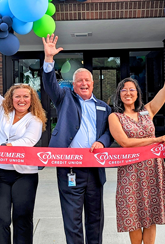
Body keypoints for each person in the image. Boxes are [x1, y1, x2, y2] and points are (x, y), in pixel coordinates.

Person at [108, 46, 165, 244]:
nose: (128, 93)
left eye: (132, 90)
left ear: (137, 93)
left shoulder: (147, 111)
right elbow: (125, 143)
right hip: (130, 170)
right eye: (124, 90)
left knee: (150, 215)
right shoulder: (115, 117)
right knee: (133, 216)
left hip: (152, 169)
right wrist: (155, 139)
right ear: (119, 95)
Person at [42, 34, 113, 244]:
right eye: (79, 80)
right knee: (72, 220)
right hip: (70, 167)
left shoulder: (104, 106)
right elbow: (49, 84)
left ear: (93, 84)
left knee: (95, 218)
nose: (84, 83)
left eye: (87, 80)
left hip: (95, 168)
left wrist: (103, 142)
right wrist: (48, 59)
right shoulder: (64, 99)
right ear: (73, 85)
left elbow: (110, 132)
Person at [0, 47, 47, 244]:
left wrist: (1, 145)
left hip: (25, 175)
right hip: (0, 173)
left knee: (22, 220)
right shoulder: (3, 111)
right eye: (17, 96)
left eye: (26, 96)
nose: (21, 100)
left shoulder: (35, 119)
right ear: (11, 99)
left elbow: (28, 141)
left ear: (31, 100)